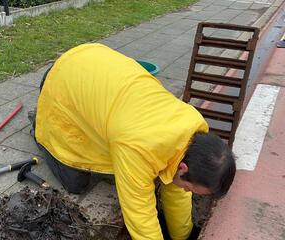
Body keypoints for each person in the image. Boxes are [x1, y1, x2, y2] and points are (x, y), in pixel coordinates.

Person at [28, 43, 236, 240]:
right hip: (60, 81)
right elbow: (139, 213)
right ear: (183, 168)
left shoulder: (193, 129)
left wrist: (182, 236)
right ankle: (40, 124)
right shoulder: (139, 147)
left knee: (132, 168)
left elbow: (176, 190)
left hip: (93, 59)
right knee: (76, 183)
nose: (186, 192)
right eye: (190, 189)